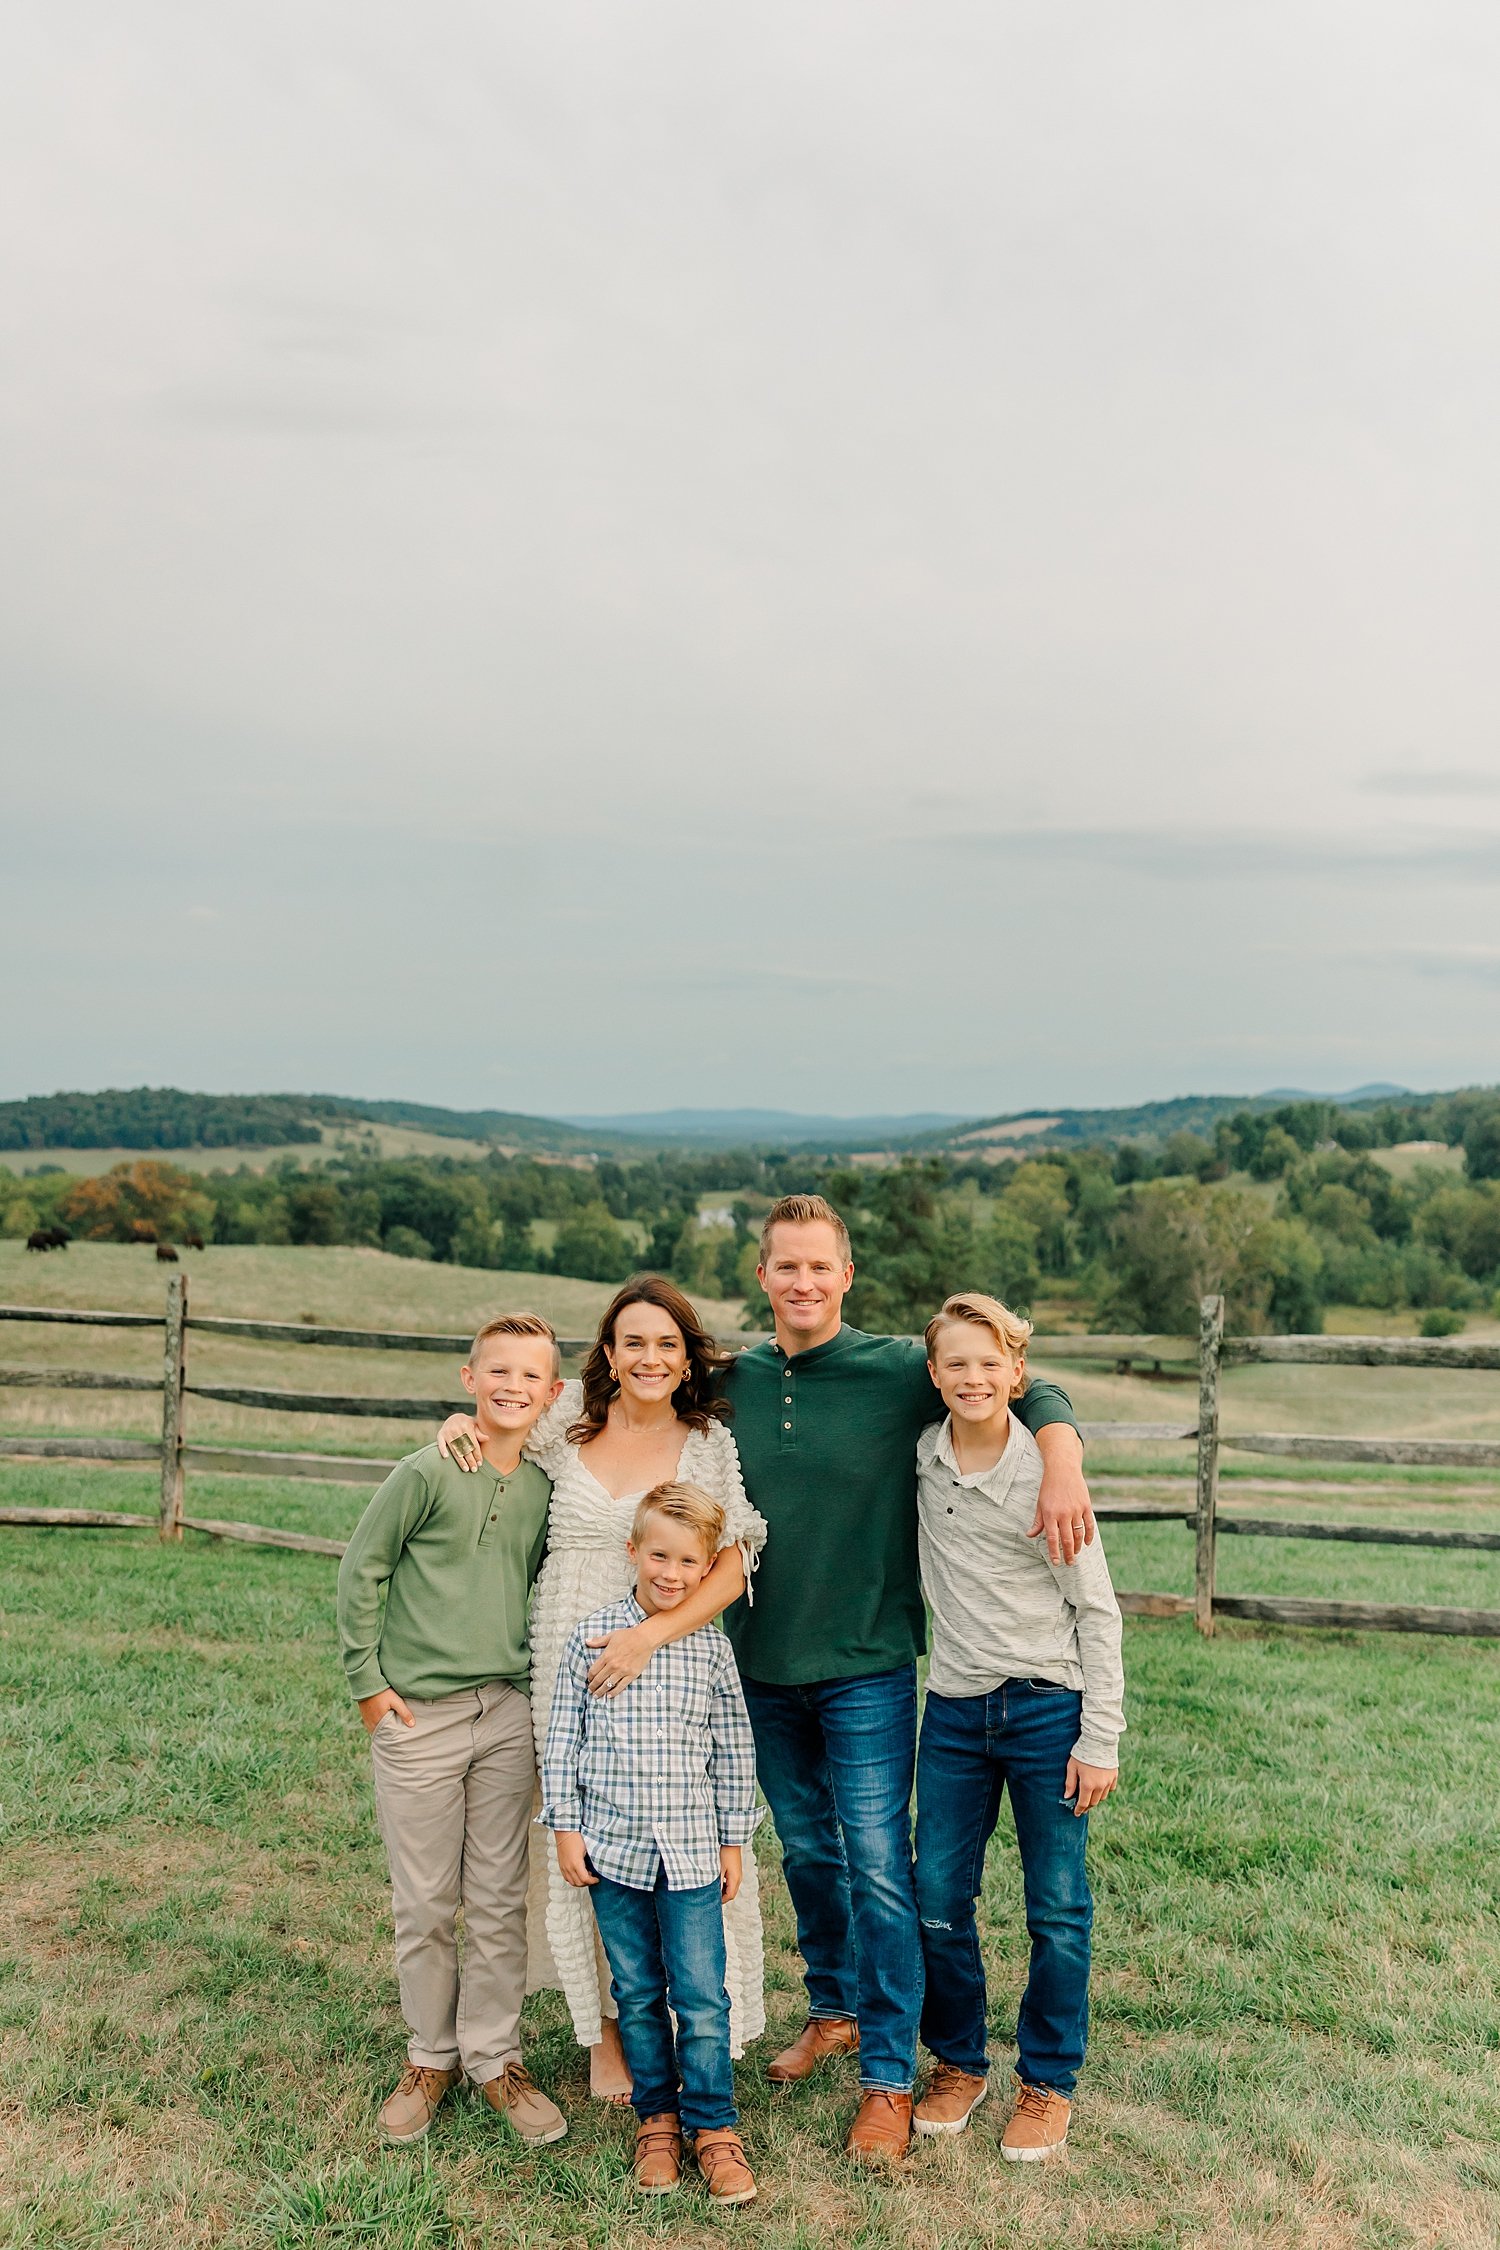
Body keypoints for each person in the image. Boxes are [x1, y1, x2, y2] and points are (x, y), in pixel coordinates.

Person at [437, 1275, 768, 2103]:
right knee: (589, 1835)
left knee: (670, 1832)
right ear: (609, 1356)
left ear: (687, 1356)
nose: (650, 1358)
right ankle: (609, 2030)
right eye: (633, 1343)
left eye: (667, 1343)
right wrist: (459, 1424)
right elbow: (498, 1431)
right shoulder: (567, 1424)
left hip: (670, 1646)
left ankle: (692, 2021)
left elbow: (736, 1557)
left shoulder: (707, 1443)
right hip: (565, 1652)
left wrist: (649, 1635)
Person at [335, 1314, 569, 2148]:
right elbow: (363, 1568)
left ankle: (493, 2056)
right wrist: (368, 1685)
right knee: (428, 1902)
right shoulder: (428, 1469)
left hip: (505, 1714)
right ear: (469, 1378)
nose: (512, 1386)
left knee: (502, 1899)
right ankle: (429, 2056)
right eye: (496, 1371)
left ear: (550, 1393)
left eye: (530, 1377)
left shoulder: (545, 1482)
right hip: (418, 1716)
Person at [910, 1292, 1123, 2161]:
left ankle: (1048, 2081)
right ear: (933, 1376)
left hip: (1047, 1709)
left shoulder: (1046, 1474)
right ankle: (961, 2061)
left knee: (1058, 1908)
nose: (973, 1377)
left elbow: (1098, 1609)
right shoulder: (920, 1458)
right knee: (935, 1898)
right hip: (955, 1711)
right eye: (956, 1363)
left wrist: (1099, 1735)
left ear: (1018, 1373)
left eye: (991, 1363)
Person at [540, 1481, 761, 2207]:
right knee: (636, 1992)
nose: (670, 1573)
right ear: (631, 1551)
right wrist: (567, 1829)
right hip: (614, 1852)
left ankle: (714, 2127)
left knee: (700, 1996)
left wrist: (733, 1842)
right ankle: (658, 2122)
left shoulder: (709, 1649)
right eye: (658, 1555)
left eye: (687, 1562)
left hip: (694, 1853)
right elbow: (563, 1738)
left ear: (707, 1570)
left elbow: (733, 1749)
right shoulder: (594, 1636)